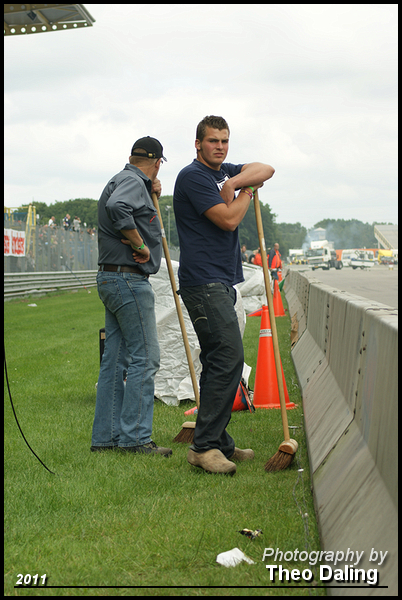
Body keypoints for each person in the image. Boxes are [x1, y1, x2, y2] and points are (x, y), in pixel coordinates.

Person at [173, 115, 275, 475]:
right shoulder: (193, 177)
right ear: (198, 144)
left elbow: (267, 168)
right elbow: (229, 219)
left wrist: (236, 181)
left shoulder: (223, 172)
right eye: (213, 141)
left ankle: (220, 442)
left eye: (224, 141)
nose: (220, 147)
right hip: (203, 282)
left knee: (220, 360)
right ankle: (203, 448)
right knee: (229, 357)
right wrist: (248, 191)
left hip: (221, 281)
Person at [91, 136, 172, 457]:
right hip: (128, 279)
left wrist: (151, 194)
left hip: (112, 277)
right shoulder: (133, 181)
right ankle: (135, 438)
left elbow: (121, 203)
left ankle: (106, 438)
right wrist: (139, 244)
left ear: (131, 156)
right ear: (157, 163)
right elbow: (118, 206)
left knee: (116, 358)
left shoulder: (127, 179)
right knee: (146, 357)